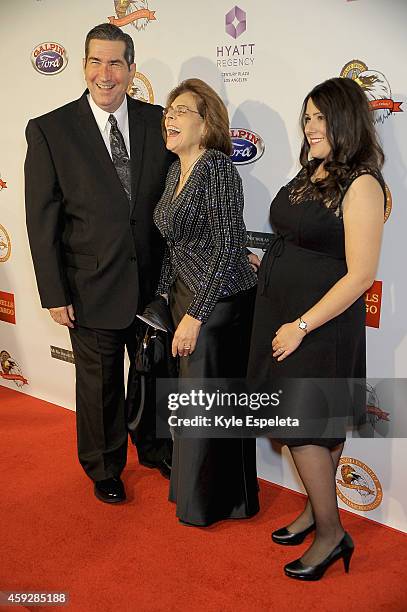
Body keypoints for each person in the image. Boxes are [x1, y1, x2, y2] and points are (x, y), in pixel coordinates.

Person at [24, 23, 175, 504]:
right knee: (99, 384)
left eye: (115, 63)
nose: (104, 74)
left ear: (132, 69)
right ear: (83, 65)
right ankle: (104, 465)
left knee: (154, 374)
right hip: (88, 283)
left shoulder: (160, 122)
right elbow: (41, 219)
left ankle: (155, 448)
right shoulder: (50, 129)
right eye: (95, 62)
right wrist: (54, 293)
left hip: (154, 283)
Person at [248, 77, 386, 579]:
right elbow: (302, 236)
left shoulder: (363, 183)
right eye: (307, 116)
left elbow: (361, 274)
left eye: (321, 117)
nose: (310, 127)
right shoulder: (313, 171)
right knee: (308, 426)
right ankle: (315, 510)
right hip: (283, 312)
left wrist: (302, 325)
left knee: (303, 427)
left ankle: (332, 535)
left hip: (320, 324)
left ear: (345, 121)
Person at [154, 78, 259, 526]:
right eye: (168, 111)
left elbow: (228, 245)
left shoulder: (216, 167)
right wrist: (162, 298)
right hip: (185, 296)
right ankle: (211, 495)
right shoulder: (176, 168)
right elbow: (174, 245)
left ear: (206, 122)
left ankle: (211, 504)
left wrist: (197, 315)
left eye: (181, 110)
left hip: (215, 304)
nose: (169, 118)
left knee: (204, 403)